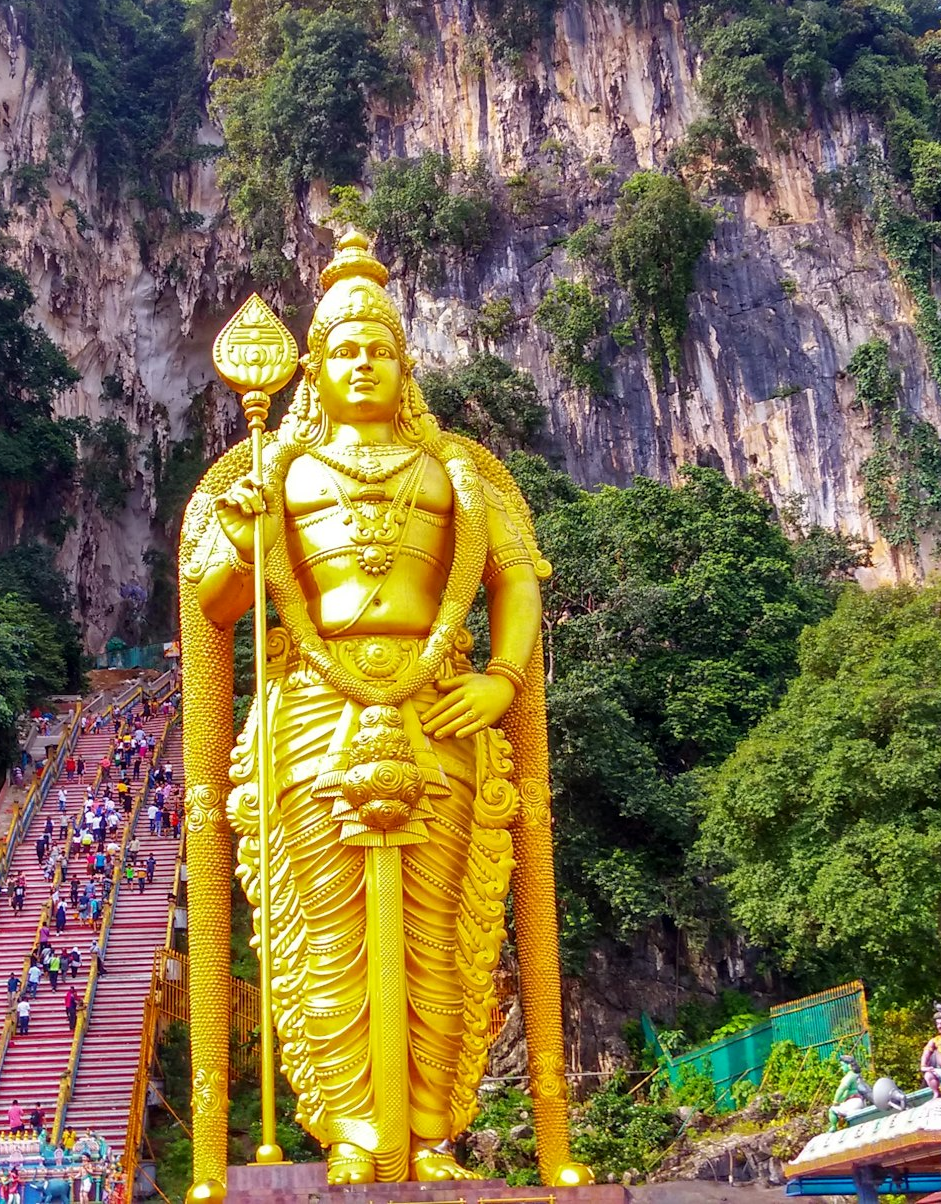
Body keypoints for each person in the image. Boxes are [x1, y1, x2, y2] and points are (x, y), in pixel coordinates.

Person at [178, 233, 587, 1190]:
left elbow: (516, 581)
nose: (363, 364)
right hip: (314, 713)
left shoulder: (461, 472)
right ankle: (353, 1132)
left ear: (406, 365)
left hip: (439, 701)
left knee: (448, 925)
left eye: (380, 350)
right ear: (313, 368)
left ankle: (436, 1133)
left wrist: (506, 677)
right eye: (345, 351)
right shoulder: (272, 469)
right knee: (326, 931)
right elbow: (213, 601)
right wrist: (244, 530)